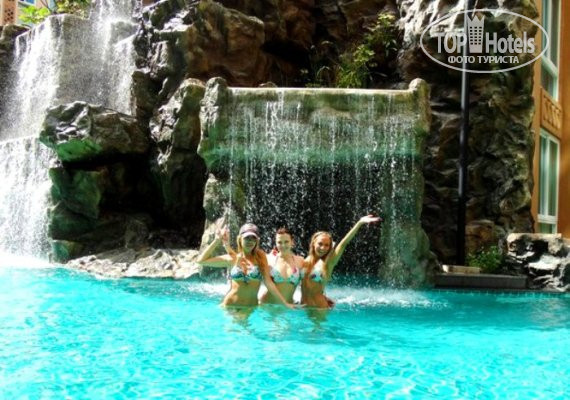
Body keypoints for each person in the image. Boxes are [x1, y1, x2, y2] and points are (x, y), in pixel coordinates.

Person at [196, 222, 296, 309]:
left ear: (257, 241)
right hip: (230, 306)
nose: (250, 241)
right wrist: (217, 240)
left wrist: (285, 303)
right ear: (240, 239)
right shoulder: (233, 259)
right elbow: (201, 261)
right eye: (247, 238)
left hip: (250, 308)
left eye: (253, 238)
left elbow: (268, 283)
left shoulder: (260, 258)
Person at [301, 215, 381, 308]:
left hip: (319, 308)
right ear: (313, 243)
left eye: (327, 245)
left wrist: (359, 223)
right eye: (320, 244)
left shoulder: (328, 263)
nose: (323, 248)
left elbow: (344, 243)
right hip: (303, 306)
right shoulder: (303, 260)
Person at [260, 227, 305, 305]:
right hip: (268, 306)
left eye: (286, 242)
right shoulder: (269, 259)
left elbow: (309, 282)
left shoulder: (300, 261)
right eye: (279, 242)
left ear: (292, 242)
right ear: (276, 243)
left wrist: (321, 295)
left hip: (289, 306)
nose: (283, 245)